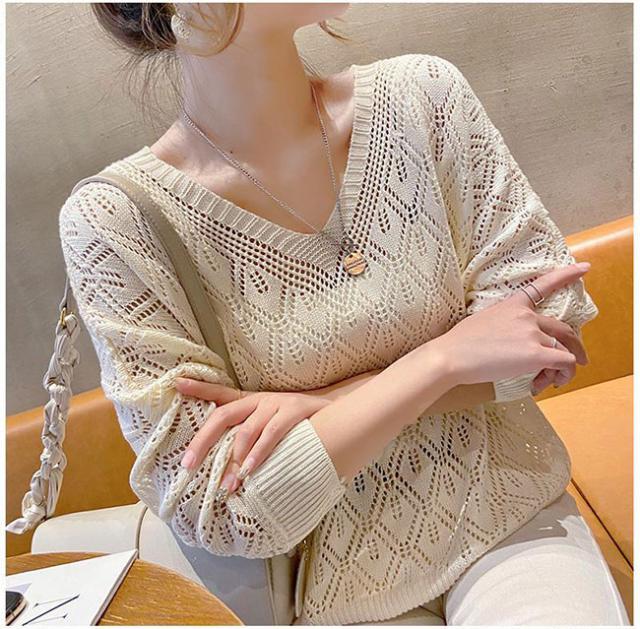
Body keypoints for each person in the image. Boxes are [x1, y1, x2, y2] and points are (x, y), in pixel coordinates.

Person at [56, 3, 628, 625]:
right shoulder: (115, 222)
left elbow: (547, 340)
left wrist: (322, 404)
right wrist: (442, 360)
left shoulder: (422, 97)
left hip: (509, 518)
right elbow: (220, 507)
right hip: (325, 590)